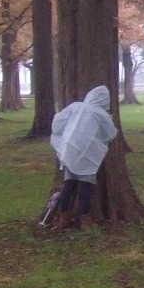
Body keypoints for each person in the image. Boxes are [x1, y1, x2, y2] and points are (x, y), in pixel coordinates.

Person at [49, 85, 118, 230]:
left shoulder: (76, 107)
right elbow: (110, 134)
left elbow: (58, 122)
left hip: (69, 152)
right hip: (88, 157)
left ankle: (64, 217)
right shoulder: (100, 114)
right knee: (85, 187)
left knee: (69, 185)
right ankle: (85, 219)